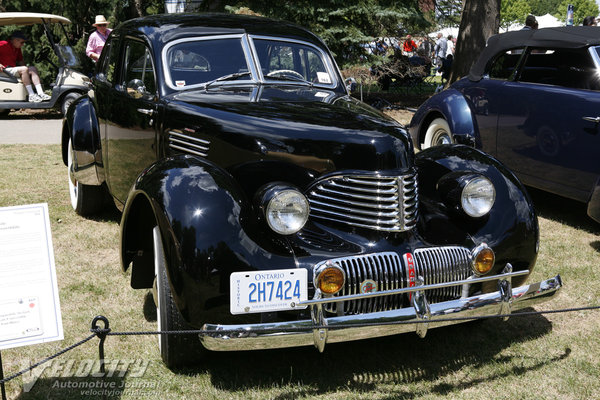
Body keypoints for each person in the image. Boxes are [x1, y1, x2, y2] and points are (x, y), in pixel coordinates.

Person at [0, 31, 50, 102]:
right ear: (15, 40)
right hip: (4, 70)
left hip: (11, 70)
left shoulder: (16, 48)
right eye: (22, 42)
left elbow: (20, 61)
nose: (23, 45)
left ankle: (41, 93)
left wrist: (27, 72)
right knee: (24, 69)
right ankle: (31, 95)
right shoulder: (3, 44)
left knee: (32, 69)